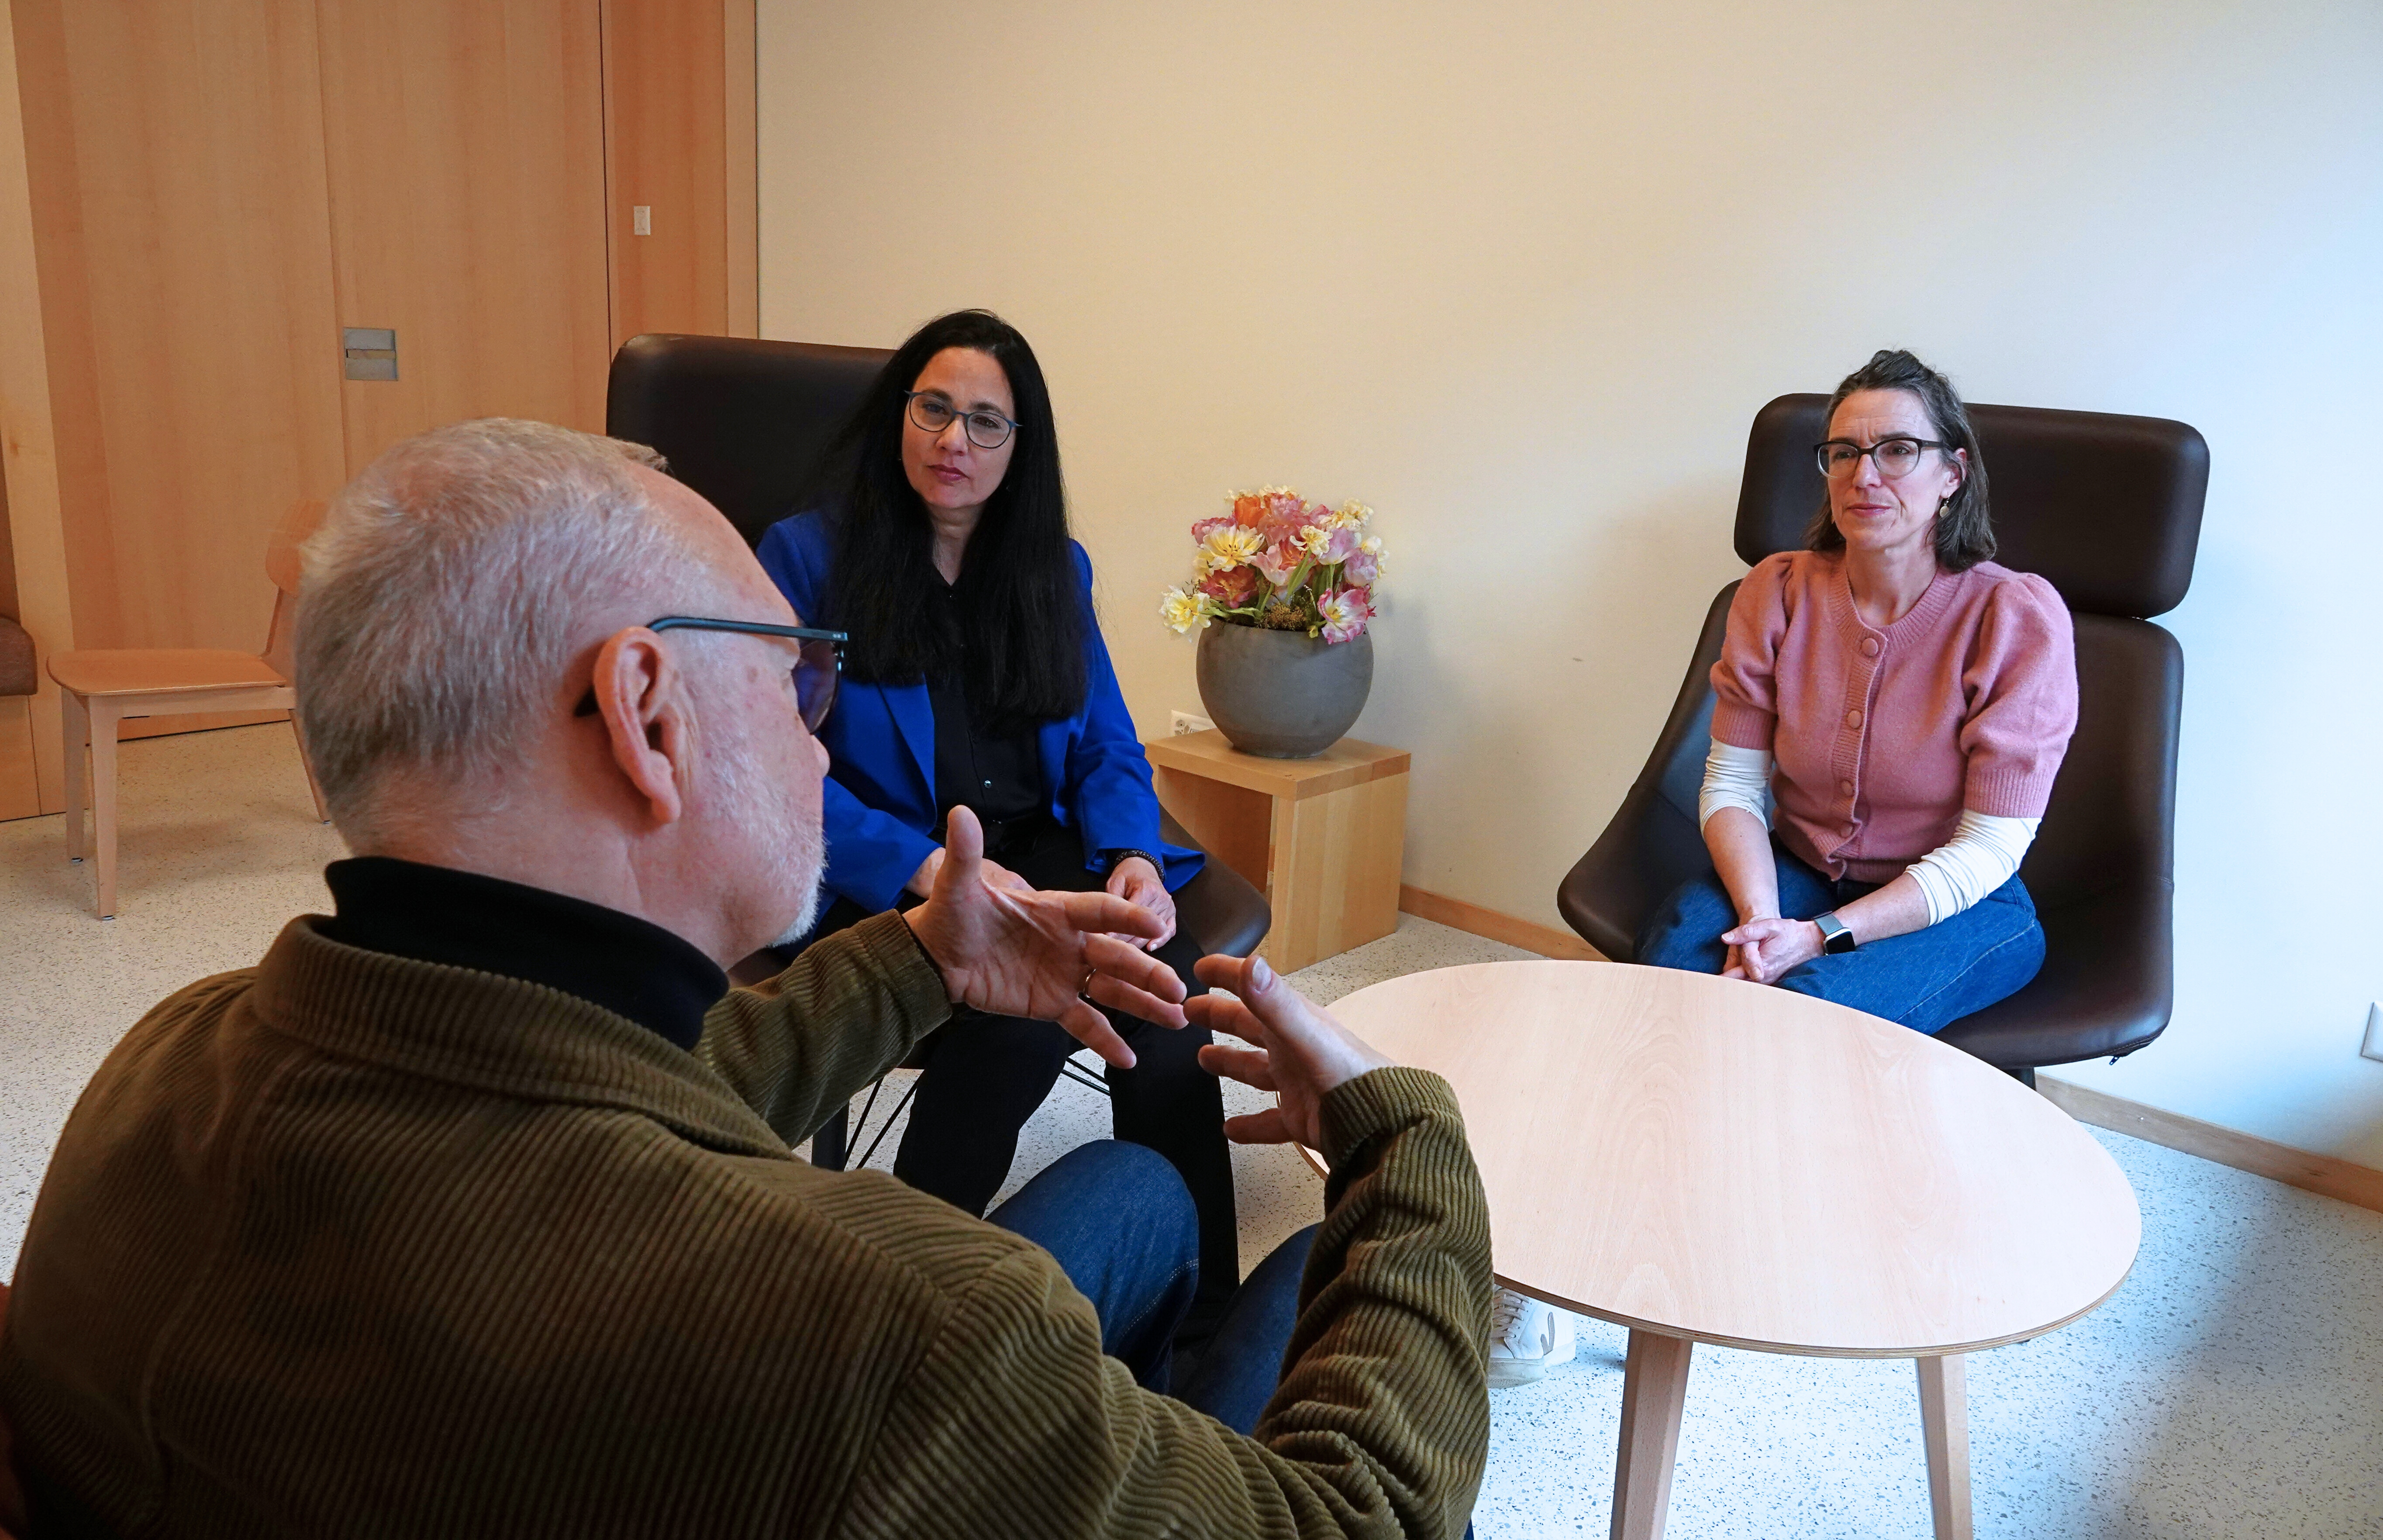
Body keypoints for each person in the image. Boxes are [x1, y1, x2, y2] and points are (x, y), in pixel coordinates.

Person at [0, 420, 1493, 1537]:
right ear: (643, 712)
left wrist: (921, 954)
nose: (815, 737)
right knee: (1318, 1268)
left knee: (1144, 1200)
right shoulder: (900, 1328)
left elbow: (577, 1103)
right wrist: (1397, 1141)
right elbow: (1368, 1518)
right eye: (797, 675)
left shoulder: (161, 1068)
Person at [1488, 350, 2080, 1388]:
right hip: (1798, 872)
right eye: (1844, 450)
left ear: (1953, 472)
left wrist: (1814, 940)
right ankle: (1560, 1250)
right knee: (1681, 950)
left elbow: (1990, 850)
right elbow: (1733, 785)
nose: (1867, 473)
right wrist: (1763, 914)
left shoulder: (2014, 617)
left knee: (1802, 1010)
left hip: (1960, 901)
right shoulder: (1777, 593)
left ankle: (1712, 1254)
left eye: (1898, 448)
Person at [755, 310, 1244, 1343]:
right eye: (935, 409)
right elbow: (776, 764)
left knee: (1165, 1013)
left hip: (1049, 846)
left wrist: (1133, 863)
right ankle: (909, 1290)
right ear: (901, 413)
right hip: (889, 872)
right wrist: (931, 871)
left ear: (1021, 448)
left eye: (987, 422)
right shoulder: (808, 557)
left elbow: (1110, 743)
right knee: (1025, 1016)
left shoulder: (1050, 567)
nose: (954, 442)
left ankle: (1201, 1318)